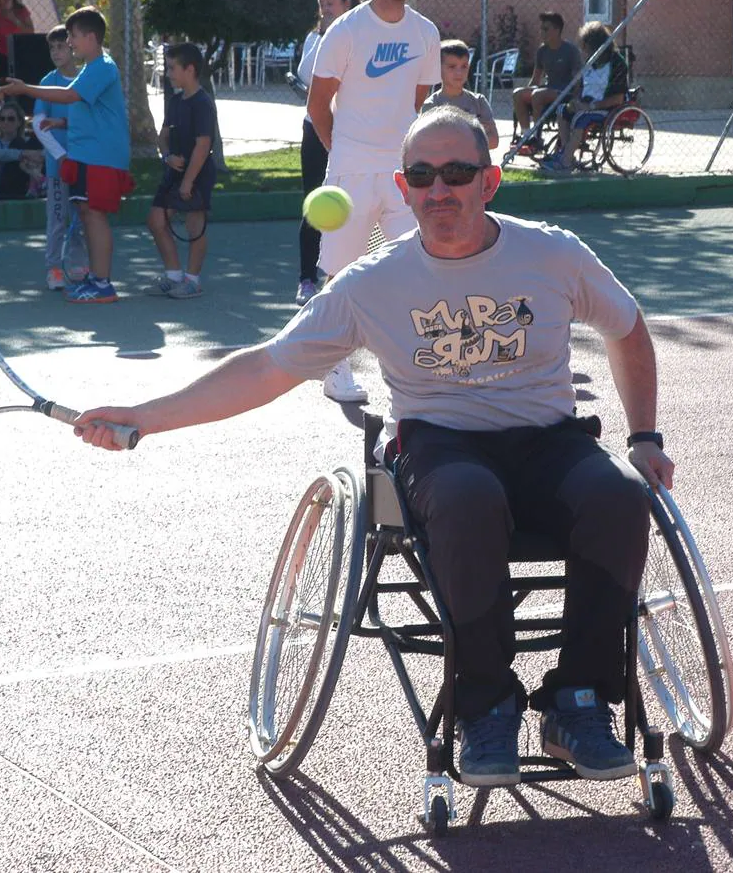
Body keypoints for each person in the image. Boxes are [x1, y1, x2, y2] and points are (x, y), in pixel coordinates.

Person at [71, 107, 675, 788]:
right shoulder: (370, 284)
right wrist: (146, 417)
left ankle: (577, 700)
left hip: (547, 439)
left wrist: (645, 436)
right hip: (440, 444)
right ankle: (485, 703)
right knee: (467, 498)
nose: (438, 189)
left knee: (620, 497)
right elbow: (268, 367)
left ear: (490, 181)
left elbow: (627, 328)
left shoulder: (551, 254)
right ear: (402, 186)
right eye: (422, 175)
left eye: (456, 173)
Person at [306, 0, 441, 403]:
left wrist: (394, 152)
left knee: (418, 267)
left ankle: (416, 364)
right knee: (340, 273)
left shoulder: (426, 32)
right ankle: (334, 366)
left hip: (403, 173)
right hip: (350, 171)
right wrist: (343, 151)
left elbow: (417, 101)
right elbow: (317, 104)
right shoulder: (345, 30)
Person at [0, 6, 134, 304]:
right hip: (88, 156)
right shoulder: (90, 68)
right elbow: (90, 111)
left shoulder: (102, 66)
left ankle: (102, 284)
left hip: (101, 157)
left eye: (72, 37)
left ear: (91, 37)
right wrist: (60, 123)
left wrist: (25, 89)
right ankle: (96, 280)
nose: (70, 43)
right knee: (87, 214)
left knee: (94, 216)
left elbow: (70, 96)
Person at [294, 0, 361, 307]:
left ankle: (353, 278)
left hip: (352, 131)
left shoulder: (362, 35)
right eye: (321, 5)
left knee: (357, 203)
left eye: (330, 4)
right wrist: (324, 34)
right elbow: (307, 74)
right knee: (314, 201)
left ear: (347, 4)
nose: (324, 11)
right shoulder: (316, 37)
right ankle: (307, 279)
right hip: (315, 129)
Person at [146, 42, 217, 300]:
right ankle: (174, 276)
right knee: (155, 220)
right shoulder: (175, 101)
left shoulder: (203, 103)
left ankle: (192, 281)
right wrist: (167, 157)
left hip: (198, 174)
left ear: (190, 69)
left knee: (194, 225)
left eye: (173, 68)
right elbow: (163, 136)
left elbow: (203, 145)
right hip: (173, 173)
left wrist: (188, 181)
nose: (169, 73)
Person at [31, 24, 88, 291]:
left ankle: (78, 265)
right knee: (57, 219)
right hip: (57, 169)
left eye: (61, 46)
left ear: (73, 47)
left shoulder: (87, 79)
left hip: (85, 166)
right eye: (52, 47)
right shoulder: (47, 82)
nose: (56, 51)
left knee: (82, 218)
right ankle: (53, 268)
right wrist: (61, 156)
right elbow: (38, 124)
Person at [538, 22, 629, 174]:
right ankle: (568, 155)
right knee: (562, 110)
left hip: (605, 108)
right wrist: (576, 101)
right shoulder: (590, 62)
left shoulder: (617, 63)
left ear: (596, 45)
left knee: (581, 118)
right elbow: (580, 87)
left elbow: (618, 98)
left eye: (586, 46)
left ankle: (565, 161)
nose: (583, 50)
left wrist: (591, 106)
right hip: (585, 104)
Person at [511, 11, 581, 152]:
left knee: (538, 95)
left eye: (546, 29)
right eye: (541, 28)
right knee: (518, 93)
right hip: (547, 90)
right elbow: (536, 79)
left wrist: (576, 99)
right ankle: (527, 135)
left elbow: (577, 80)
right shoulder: (542, 51)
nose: (541, 32)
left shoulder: (571, 51)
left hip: (565, 93)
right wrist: (526, 94)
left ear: (557, 30)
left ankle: (537, 138)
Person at [421, 39, 499, 150]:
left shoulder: (479, 101)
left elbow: (494, 141)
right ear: (438, 69)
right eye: (452, 67)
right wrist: (476, 134)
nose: (459, 73)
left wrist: (452, 136)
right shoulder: (431, 105)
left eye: (464, 66)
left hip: (476, 166)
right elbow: (434, 144)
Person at [0, 0, 34, 82]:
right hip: (2, 54)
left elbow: (31, 31)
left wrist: (15, 20)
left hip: (20, 52)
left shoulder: (20, 10)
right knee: (4, 84)